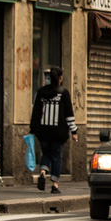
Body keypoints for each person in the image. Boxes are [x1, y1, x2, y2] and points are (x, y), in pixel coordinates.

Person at [30, 66, 78, 194]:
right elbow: (69, 114)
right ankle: (55, 185)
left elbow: (36, 112)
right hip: (58, 132)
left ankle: (42, 172)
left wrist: (33, 128)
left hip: (43, 131)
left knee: (46, 154)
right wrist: (74, 131)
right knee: (57, 156)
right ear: (60, 78)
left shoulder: (41, 92)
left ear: (49, 78)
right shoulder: (63, 93)